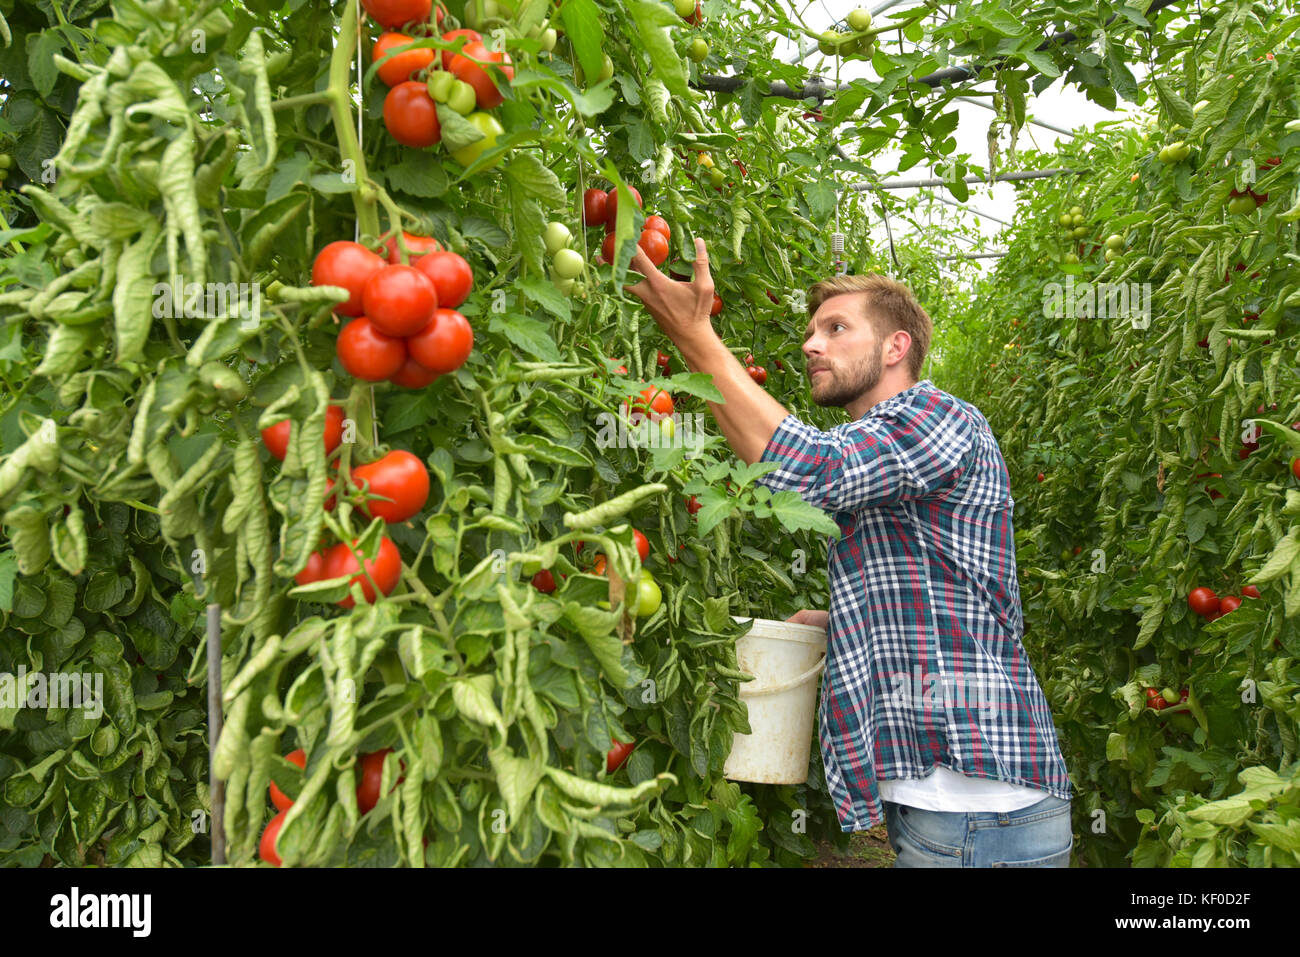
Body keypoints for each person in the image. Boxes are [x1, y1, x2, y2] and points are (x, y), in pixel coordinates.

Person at [625, 238, 1073, 868]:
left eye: (836, 328)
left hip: (981, 811)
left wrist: (695, 334)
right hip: (948, 810)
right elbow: (940, 590)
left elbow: (809, 467)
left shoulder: (939, 416)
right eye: (811, 332)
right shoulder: (883, 453)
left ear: (897, 347)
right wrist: (843, 623)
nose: (811, 345)